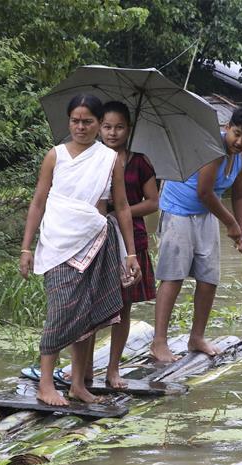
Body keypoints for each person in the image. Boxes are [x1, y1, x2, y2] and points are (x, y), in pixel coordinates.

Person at [18, 94, 141, 407]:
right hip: (57, 242)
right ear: (68, 121)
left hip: (96, 242)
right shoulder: (55, 155)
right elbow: (38, 202)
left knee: (87, 313)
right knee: (59, 311)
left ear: (99, 125)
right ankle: (46, 384)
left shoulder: (110, 159)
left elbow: (123, 207)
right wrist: (26, 247)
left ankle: (77, 384)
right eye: (75, 121)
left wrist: (130, 253)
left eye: (88, 121)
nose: (81, 127)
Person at [150, 106, 242, 363]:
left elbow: (240, 195)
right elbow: (204, 192)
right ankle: (159, 343)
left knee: (209, 277)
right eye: (236, 134)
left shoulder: (241, 158)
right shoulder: (213, 149)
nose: (239, 142)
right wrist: (231, 224)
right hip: (178, 210)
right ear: (227, 127)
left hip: (206, 214)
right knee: (173, 276)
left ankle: (196, 337)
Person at [98, 100, 159, 387]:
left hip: (130, 239)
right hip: (95, 239)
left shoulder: (139, 162)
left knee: (123, 308)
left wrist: (120, 211)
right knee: (92, 304)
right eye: (107, 127)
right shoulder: (90, 159)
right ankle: (82, 368)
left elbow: (152, 203)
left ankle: (112, 369)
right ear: (99, 128)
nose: (112, 133)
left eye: (119, 127)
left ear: (128, 130)